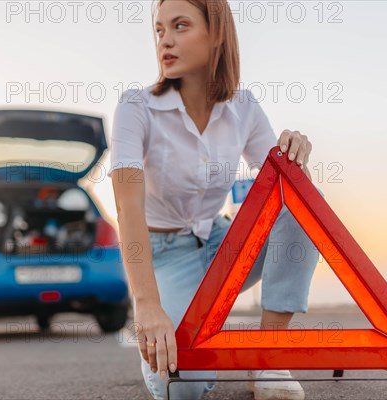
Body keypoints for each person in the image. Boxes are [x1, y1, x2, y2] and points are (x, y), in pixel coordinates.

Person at [106, 1, 325, 399]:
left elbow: (298, 200)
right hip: (164, 256)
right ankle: (187, 321)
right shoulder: (135, 107)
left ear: (216, 34)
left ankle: (268, 360)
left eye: (180, 26)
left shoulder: (244, 107)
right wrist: (147, 307)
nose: (165, 40)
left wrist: (296, 156)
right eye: (159, 30)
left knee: (304, 201)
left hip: (222, 246)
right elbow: (128, 207)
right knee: (182, 389)